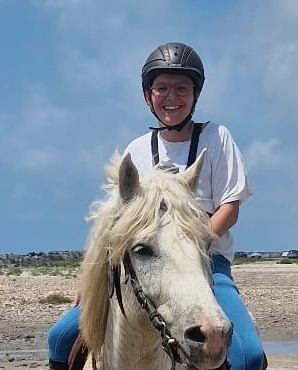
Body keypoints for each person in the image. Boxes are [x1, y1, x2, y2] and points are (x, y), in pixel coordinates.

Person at [47, 42, 265, 370]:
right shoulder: (135, 151)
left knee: (247, 356)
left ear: (195, 94)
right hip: (139, 265)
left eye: (182, 88)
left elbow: (229, 208)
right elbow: (114, 226)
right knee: (60, 338)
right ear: (148, 96)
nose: (171, 97)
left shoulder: (217, 139)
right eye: (162, 88)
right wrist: (91, 280)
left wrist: (187, 248)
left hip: (208, 263)